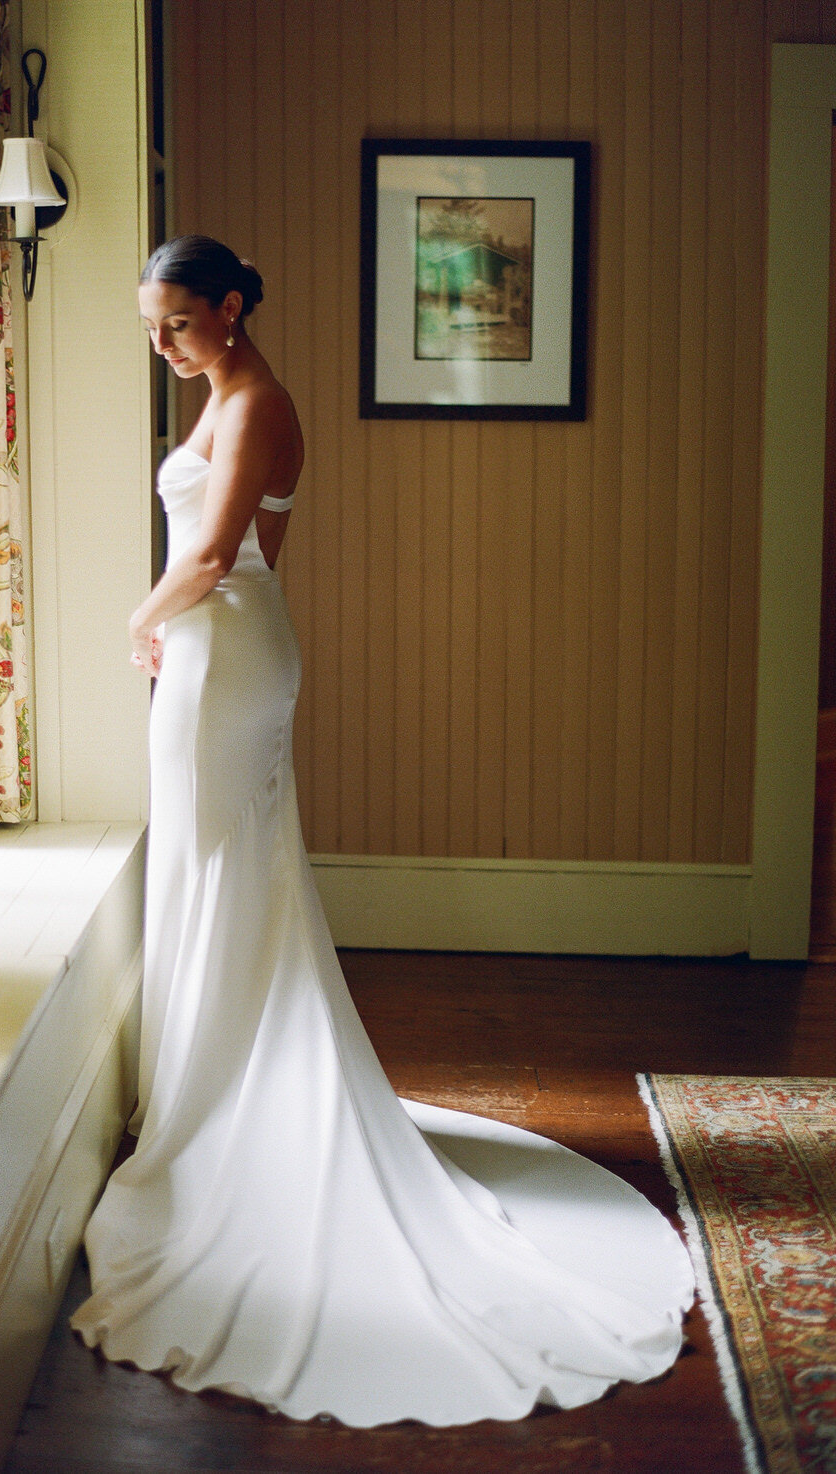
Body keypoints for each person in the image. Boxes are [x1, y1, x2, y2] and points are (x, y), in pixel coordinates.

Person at [69, 234, 695, 1427]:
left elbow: (209, 555)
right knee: (216, 874)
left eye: (180, 322)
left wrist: (137, 623)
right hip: (213, 650)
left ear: (237, 305)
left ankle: (221, 1115)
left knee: (221, 867)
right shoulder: (223, 395)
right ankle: (204, 1092)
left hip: (227, 655)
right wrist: (174, 627)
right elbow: (222, 557)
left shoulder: (260, 401)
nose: (163, 344)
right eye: (152, 325)